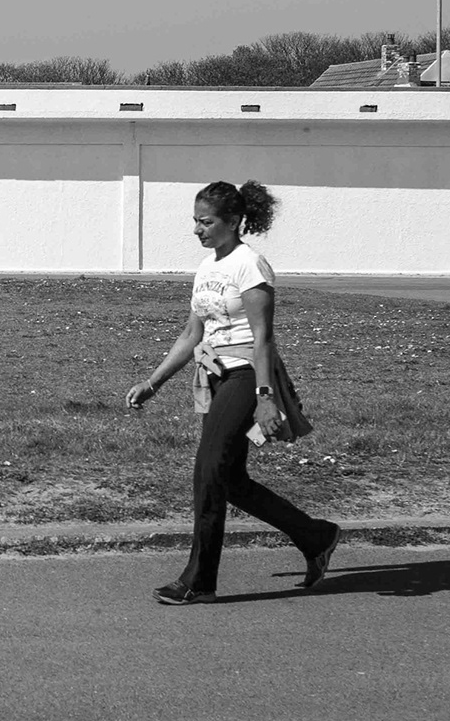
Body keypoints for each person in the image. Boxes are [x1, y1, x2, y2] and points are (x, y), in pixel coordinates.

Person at [125, 180, 339, 604]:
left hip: (245, 376)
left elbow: (263, 338)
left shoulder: (250, 265)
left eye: (206, 222)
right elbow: (192, 332)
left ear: (233, 221)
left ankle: (199, 581)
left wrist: (265, 397)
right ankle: (315, 536)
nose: (197, 230)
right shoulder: (207, 269)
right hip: (216, 376)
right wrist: (153, 382)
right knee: (231, 480)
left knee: (207, 470)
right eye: (195, 221)